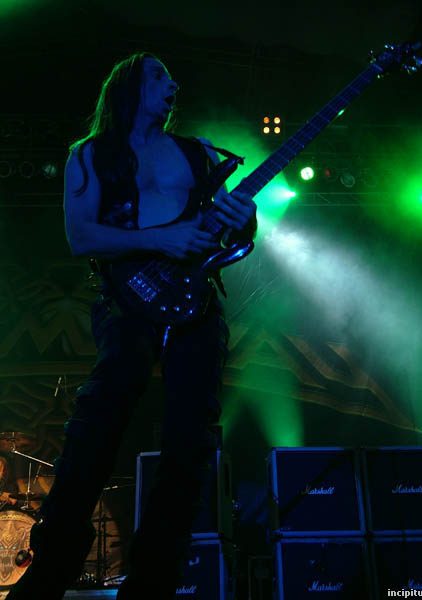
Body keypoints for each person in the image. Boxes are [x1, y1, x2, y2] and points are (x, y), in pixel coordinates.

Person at [6, 51, 256, 600]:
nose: (173, 83)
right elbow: (82, 238)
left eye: (173, 77)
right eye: (159, 75)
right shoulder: (91, 154)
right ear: (129, 85)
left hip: (196, 304)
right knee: (97, 428)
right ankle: (48, 576)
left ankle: (152, 584)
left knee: (191, 444)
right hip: (125, 299)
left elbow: (228, 239)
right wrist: (160, 238)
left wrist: (245, 224)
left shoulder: (198, 153)